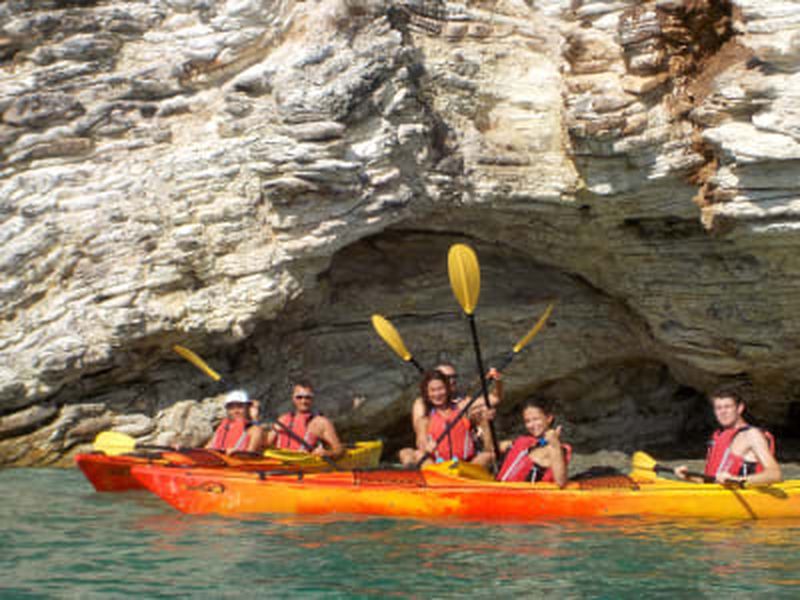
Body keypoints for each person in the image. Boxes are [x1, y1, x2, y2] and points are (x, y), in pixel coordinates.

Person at [674, 385, 782, 485]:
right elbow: (711, 482)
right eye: (718, 408)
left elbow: (774, 474)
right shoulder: (718, 435)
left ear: (739, 408)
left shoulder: (751, 435)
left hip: (747, 498)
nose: (723, 412)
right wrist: (688, 477)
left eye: (728, 407)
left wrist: (737, 480)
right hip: (718, 499)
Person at [398, 363, 503, 466]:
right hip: (438, 466)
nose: (437, 394)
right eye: (433, 390)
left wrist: (498, 382)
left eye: (441, 389)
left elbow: (495, 398)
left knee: (487, 456)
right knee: (413, 454)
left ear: (447, 389)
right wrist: (426, 446)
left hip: (466, 465)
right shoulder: (423, 413)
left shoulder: (463, 406)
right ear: (427, 392)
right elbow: (420, 439)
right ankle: (413, 474)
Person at [496, 399, 571, 487]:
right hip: (502, 489)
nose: (532, 425)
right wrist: (484, 423)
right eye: (528, 421)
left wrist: (555, 445)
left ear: (549, 418)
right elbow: (490, 450)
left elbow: (561, 482)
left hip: (528, 497)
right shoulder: (524, 441)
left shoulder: (557, 449)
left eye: (536, 419)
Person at [263, 380, 344, 460]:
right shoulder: (282, 419)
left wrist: (326, 453)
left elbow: (339, 450)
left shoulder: (321, 423)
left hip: (303, 466)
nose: (303, 401)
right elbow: (266, 444)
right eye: (299, 397)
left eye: (307, 397)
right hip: (279, 463)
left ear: (312, 399)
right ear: (293, 398)